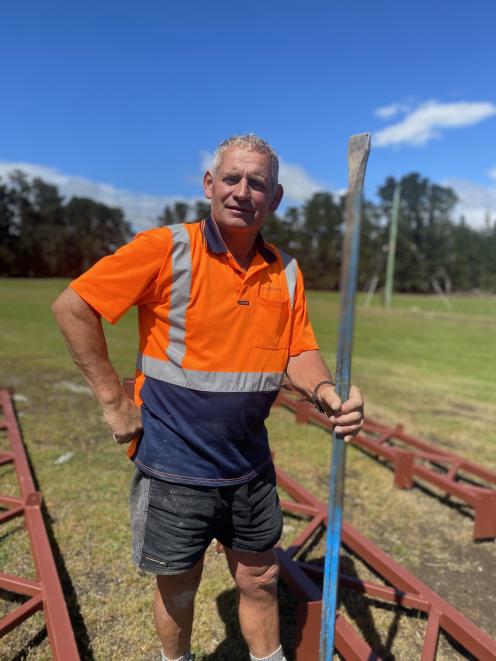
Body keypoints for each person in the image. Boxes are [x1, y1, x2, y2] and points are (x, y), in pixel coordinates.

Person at [52, 134, 364, 661]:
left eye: (257, 183)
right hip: (174, 468)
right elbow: (72, 306)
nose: (243, 192)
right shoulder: (167, 248)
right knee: (178, 587)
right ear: (209, 185)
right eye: (231, 178)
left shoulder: (285, 271)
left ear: (276, 197)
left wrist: (326, 390)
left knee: (261, 580)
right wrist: (113, 401)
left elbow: (297, 350)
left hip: (250, 467)